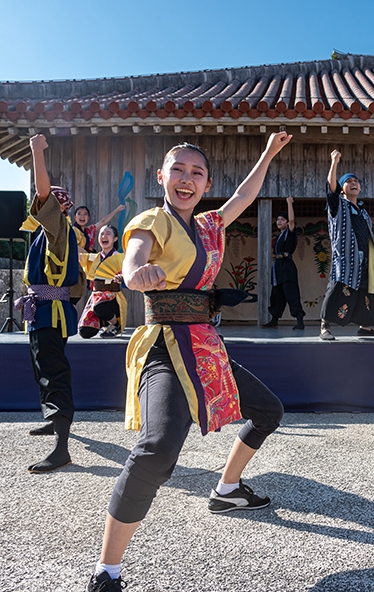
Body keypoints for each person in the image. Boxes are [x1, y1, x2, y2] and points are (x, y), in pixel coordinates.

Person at [86, 132, 291, 592]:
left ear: (205, 184)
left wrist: (269, 154)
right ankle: (107, 571)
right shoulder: (150, 220)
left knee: (268, 411)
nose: (186, 179)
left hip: (204, 345)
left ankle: (226, 489)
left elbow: (243, 195)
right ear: (161, 176)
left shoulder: (209, 226)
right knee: (157, 450)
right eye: (177, 170)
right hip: (163, 345)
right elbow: (133, 259)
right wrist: (136, 273)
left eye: (196, 173)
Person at [14, 135, 85, 471]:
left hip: (50, 313)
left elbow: (43, 192)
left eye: (43, 203)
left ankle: (61, 447)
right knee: (42, 369)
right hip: (43, 311)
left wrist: (36, 153)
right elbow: (78, 285)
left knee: (54, 374)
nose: (37, 205)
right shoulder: (51, 235)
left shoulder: (57, 229)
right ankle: (51, 419)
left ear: (55, 208)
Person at [319, 150, 374, 341]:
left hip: (365, 259)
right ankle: (325, 326)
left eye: (356, 181)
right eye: (349, 181)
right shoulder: (338, 205)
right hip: (346, 259)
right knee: (337, 289)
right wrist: (334, 162)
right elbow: (330, 187)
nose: (354, 183)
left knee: (367, 291)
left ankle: (365, 327)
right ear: (342, 188)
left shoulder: (363, 212)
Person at [263, 197, 305, 330]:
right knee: (277, 295)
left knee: (291, 294)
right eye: (278, 220)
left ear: (287, 223)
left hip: (287, 267)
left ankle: (299, 321)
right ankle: (274, 320)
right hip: (278, 267)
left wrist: (289, 203)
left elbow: (292, 220)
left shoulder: (290, 233)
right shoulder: (278, 236)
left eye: (282, 219)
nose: (279, 222)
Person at [78, 225, 127, 338]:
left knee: (99, 307)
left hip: (112, 298)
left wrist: (122, 277)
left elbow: (129, 273)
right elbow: (79, 256)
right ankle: (104, 322)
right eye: (102, 234)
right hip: (96, 297)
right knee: (85, 332)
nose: (104, 236)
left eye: (108, 234)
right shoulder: (95, 258)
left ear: (115, 239)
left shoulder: (120, 258)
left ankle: (115, 324)